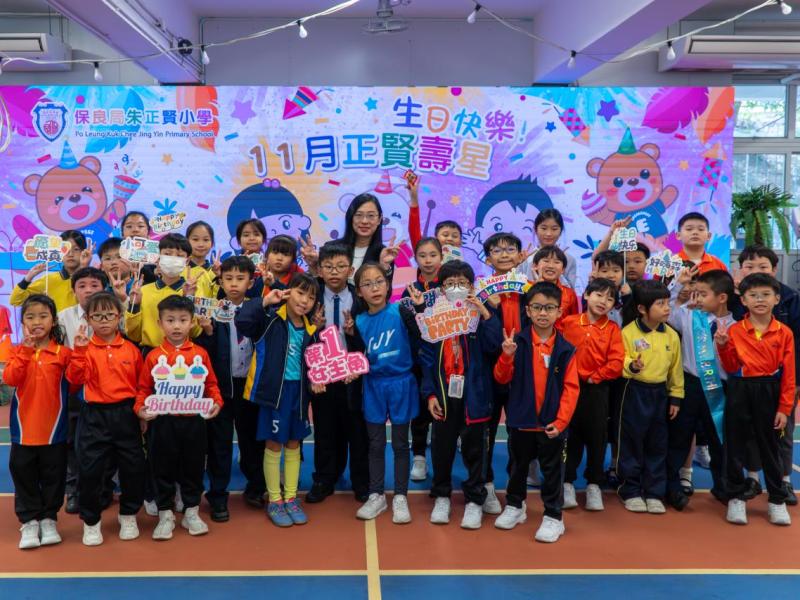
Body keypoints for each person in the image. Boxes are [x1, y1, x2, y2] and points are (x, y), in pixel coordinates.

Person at [493, 281, 579, 543]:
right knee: (516, 467)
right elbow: (501, 378)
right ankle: (515, 505)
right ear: (528, 311)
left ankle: (553, 517)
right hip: (521, 421)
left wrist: (561, 422)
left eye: (549, 308)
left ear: (559, 312)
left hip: (551, 425)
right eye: (537, 307)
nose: (543, 313)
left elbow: (571, 389)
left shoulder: (566, 349)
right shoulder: (516, 342)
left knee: (552, 472)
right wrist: (506, 356)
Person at [420, 260, 502, 528]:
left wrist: (485, 312)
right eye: (450, 283)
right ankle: (442, 496)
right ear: (442, 288)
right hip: (444, 395)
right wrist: (430, 394)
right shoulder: (434, 317)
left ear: (471, 286)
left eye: (462, 283)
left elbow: (494, 347)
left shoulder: (480, 315)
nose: (456, 287)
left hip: (475, 396)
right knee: (442, 449)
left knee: (475, 450)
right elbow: (426, 359)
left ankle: (475, 500)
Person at [235, 272, 320, 528]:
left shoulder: (312, 329)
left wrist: (316, 380)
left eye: (311, 297)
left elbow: (314, 364)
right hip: (275, 396)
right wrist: (264, 301)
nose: (304, 301)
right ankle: (274, 499)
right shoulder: (270, 319)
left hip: (299, 394)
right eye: (300, 293)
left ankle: (291, 497)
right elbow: (243, 321)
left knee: (294, 445)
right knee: (273, 446)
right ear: (288, 292)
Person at [135, 295, 223, 540]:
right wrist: (140, 409)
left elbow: (211, 384)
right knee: (161, 467)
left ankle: (191, 511)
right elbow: (143, 389)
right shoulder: (153, 356)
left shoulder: (200, 354)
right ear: (160, 323)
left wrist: (217, 402)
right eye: (170, 320)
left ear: (192, 322)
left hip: (194, 420)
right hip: (163, 422)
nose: (176, 326)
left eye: (183, 320)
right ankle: (165, 514)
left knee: (193, 466)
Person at [66, 292, 146, 545]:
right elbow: (74, 381)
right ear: (88, 319)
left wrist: (141, 413)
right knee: (90, 470)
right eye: (97, 316)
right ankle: (91, 521)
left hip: (126, 414)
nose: (103, 321)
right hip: (94, 416)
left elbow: (142, 385)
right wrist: (79, 352)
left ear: (119, 317)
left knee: (133, 467)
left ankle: (129, 514)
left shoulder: (132, 350)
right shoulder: (83, 348)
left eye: (109, 315)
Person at [715, 273, 795, 526]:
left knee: (770, 447)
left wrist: (784, 408)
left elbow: (789, 375)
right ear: (744, 300)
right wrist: (723, 346)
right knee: (735, 445)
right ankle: (736, 497)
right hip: (740, 389)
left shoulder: (784, 333)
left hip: (770, 391)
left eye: (765, 295)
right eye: (753, 295)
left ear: (777, 299)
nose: (760, 300)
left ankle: (777, 500)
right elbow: (730, 367)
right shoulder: (735, 330)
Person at [346, 262, 422, 524]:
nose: (375, 288)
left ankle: (400, 496)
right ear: (359, 291)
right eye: (367, 284)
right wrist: (351, 337)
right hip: (374, 385)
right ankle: (376, 494)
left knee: (400, 444)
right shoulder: (358, 321)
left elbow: (421, 337)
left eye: (379, 281)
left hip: (401, 383)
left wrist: (419, 309)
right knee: (376, 444)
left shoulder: (400, 311)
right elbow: (357, 357)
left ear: (388, 284)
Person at [195, 256, 264, 520]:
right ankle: (218, 496)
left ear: (250, 282)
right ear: (220, 281)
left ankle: (256, 487)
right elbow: (205, 355)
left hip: (250, 387)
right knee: (219, 445)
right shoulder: (212, 310)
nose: (234, 284)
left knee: (252, 441)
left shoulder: (259, 308)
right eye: (228, 278)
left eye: (240, 278)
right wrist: (208, 332)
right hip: (221, 388)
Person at [731, 245, 800, 505]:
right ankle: (753, 478)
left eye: (763, 266)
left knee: (782, 430)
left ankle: (784, 480)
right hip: (747, 383)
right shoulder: (738, 299)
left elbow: (797, 344)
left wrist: (795, 382)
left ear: (774, 269)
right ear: (740, 270)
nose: (755, 271)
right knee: (751, 431)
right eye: (749, 266)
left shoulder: (790, 298)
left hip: (782, 380)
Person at [3, 295, 71, 550]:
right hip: (24, 432)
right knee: (23, 474)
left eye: (43, 316)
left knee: (54, 476)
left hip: (55, 431)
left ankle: (49, 519)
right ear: (22, 323)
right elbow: (11, 379)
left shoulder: (63, 354)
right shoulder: (17, 351)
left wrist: (82, 351)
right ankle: (30, 521)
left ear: (53, 321)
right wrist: (26, 350)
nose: (37, 321)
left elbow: (76, 381)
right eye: (30, 317)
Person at [665, 269, 735, 510]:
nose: (698, 298)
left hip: (719, 388)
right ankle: (672, 487)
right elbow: (668, 311)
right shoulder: (688, 315)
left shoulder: (736, 326)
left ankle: (723, 486)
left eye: (703, 294)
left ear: (722, 297)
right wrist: (678, 286)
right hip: (689, 385)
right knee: (679, 437)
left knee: (718, 440)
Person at [305, 242, 370, 504]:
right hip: (322, 375)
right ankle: (324, 479)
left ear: (351, 270)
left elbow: (369, 339)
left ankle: (361, 482)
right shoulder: (310, 297)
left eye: (341, 266)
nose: (334, 272)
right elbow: (300, 335)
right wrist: (314, 329)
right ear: (319, 270)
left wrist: (353, 334)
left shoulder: (360, 298)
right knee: (325, 430)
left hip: (352, 375)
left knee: (357, 431)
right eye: (328, 266)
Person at [617, 280, 683, 514]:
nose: (667, 308)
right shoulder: (628, 332)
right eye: (660, 304)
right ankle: (630, 490)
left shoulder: (671, 335)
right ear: (642, 309)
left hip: (660, 394)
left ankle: (654, 492)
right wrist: (632, 365)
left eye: (667, 303)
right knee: (632, 442)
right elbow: (621, 360)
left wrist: (675, 397)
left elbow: (676, 369)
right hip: (634, 391)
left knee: (657, 444)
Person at [560, 278, 624, 512]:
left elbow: (617, 362)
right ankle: (566, 483)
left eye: (610, 298)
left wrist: (595, 377)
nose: (603, 301)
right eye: (598, 295)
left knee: (597, 438)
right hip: (568, 389)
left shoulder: (613, 329)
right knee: (570, 436)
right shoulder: (568, 322)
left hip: (597, 391)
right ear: (586, 295)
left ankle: (594, 484)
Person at [481, 231, 531, 514]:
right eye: (497, 251)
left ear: (520, 256)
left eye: (510, 249)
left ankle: (516, 490)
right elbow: (485, 337)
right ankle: (486, 485)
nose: (504, 254)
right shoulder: (482, 290)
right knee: (486, 430)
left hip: (521, 371)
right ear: (488, 259)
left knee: (518, 432)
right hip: (490, 369)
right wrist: (491, 307)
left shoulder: (529, 289)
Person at [56, 266, 109, 514]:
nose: (88, 290)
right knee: (72, 442)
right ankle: (74, 490)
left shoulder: (113, 314)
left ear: (104, 288)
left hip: (105, 389)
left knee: (104, 441)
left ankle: (104, 488)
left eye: (94, 285)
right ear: (74, 290)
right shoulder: (62, 317)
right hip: (74, 388)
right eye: (82, 286)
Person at [125, 233, 210, 352]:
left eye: (179, 256)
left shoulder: (194, 291)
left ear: (187, 261)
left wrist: (189, 298)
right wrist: (135, 305)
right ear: (158, 257)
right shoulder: (143, 291)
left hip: (183, 354)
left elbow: (195, 332)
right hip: (151, 354)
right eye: (167, 254)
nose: (173, 259)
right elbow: (133, 334)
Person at [404, 237, 443, 482]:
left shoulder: (450, 286)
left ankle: (440, 458)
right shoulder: (410, 290)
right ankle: (419, 457)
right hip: (419, 359)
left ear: (441, 257)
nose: (428, 261)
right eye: (422, 256)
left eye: (433, 255)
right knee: (419, 411)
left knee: (442, 410)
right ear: (415, 259)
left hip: (445, 359)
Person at [10, 230, 92, 312]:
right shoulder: (49, 281)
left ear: (84, 251)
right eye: (65, 249)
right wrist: (28, 277)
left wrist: (83, 268)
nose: (70, 254)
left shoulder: (94, 279)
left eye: (76, 249)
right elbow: (15, 300)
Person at [340, 193, 402, 282]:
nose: (364, 221)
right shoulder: (332, 249)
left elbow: (386, 290)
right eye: (359, 215)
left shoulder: (384, 253)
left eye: (371, 216)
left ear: (379, 219)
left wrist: (384, 267)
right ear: (351, 217)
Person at [520, 209, 578, 287]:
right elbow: (515, 288)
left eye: (554, 229)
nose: (548, 234)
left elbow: (571, 290)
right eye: (544, 228)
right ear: (536, 230)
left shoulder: (569, 259)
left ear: (560, 231)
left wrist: (559, 264)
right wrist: (518, 264)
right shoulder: (526, 258)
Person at [531, 245, 579, 326]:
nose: (551, 266)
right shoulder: (527, 289)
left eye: (556, 262)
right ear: (535, 266)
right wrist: (536, 289)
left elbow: (573, 323)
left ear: (563, 269)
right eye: (546, 261)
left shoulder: (569, 294)